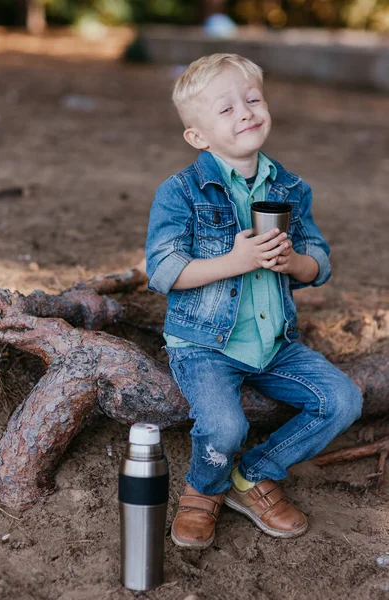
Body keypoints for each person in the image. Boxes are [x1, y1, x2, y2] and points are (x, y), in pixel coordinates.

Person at [145, 53, 363, 548]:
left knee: (343, 399)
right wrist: (236, 260)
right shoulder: (180, 191)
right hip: (203, 342)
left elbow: (319, 261)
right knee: (224, 425)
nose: (245, 112)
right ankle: (202, 490)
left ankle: (252, 475)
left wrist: (295, 264)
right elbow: (162, 270)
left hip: (273, 342)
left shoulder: (289, 186)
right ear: (197, 136)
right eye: (225, 109)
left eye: (252, 99)